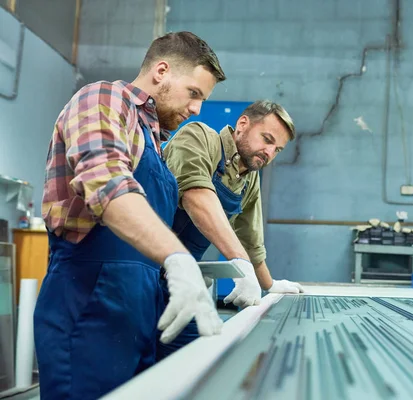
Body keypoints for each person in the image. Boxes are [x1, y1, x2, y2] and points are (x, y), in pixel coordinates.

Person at [34, 31, 227, 400]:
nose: (197, 109)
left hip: (139, 311)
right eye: (194, 93)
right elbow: (107, 184)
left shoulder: (154, 139)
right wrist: (176, 257)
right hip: (89, 306)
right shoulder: (104, 98)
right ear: (162, 71)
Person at [158, 100, 305, 359]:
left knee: (192, 360)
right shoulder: (199, 136)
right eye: (267, 139)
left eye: (277, 149)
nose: (269, 152)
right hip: (142, 268)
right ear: (242, 124)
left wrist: (268, 284)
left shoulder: (249, 180)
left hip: (183, 284)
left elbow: (250, 240)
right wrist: (240, 262)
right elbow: (196, 196)